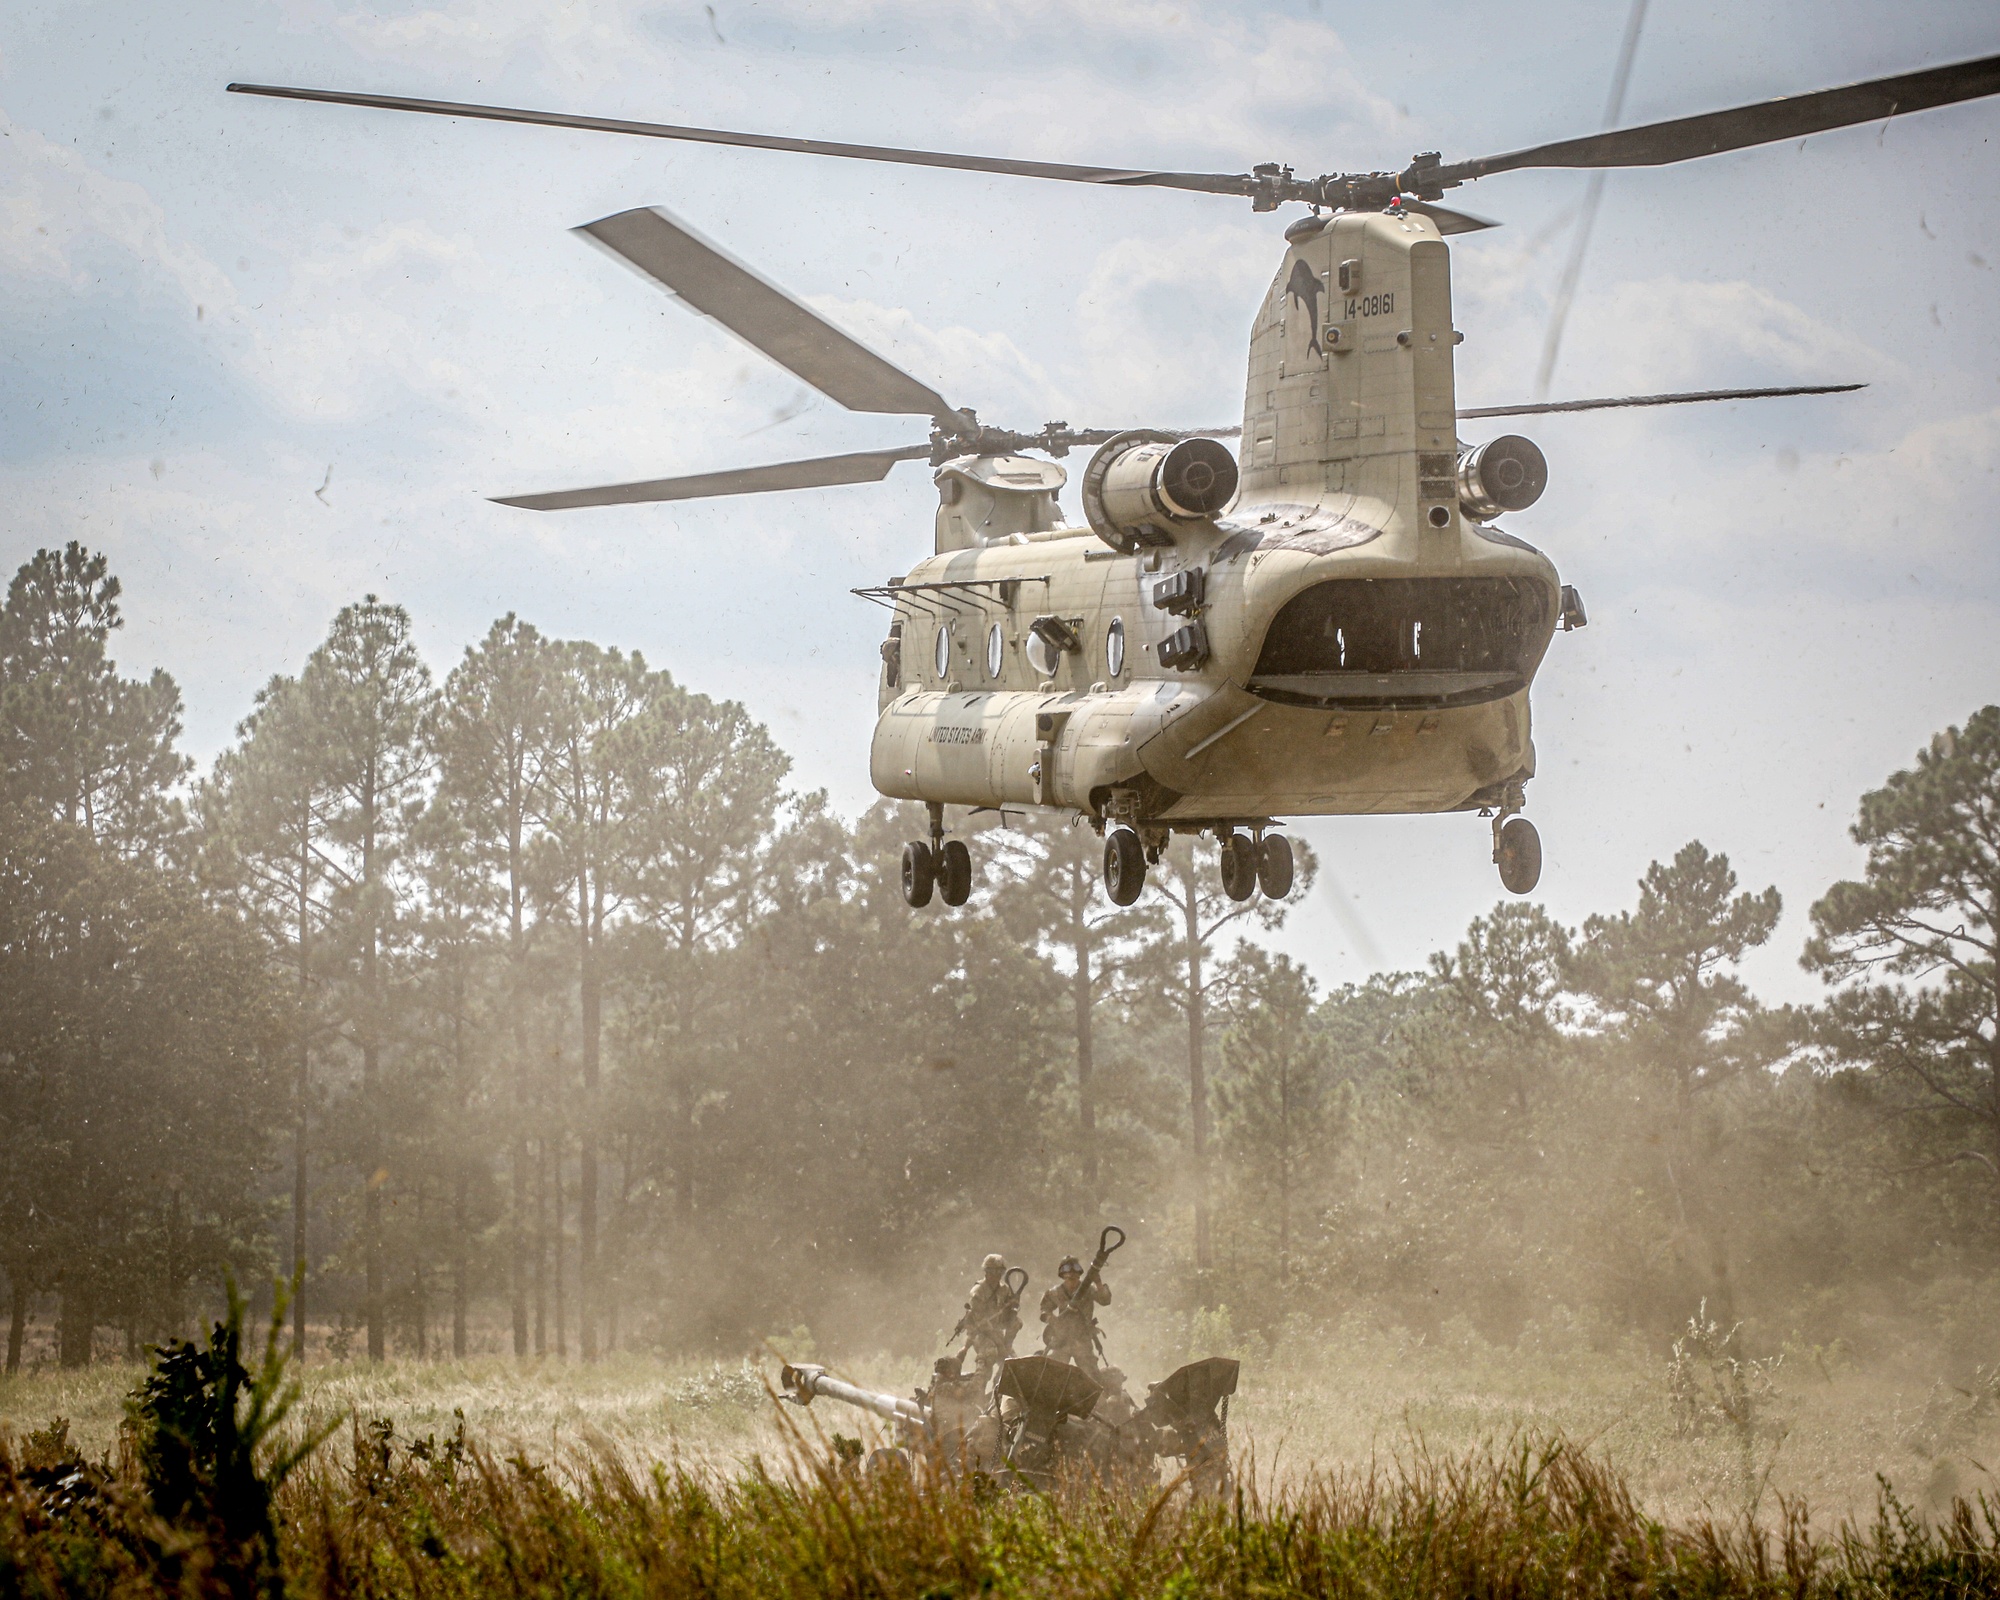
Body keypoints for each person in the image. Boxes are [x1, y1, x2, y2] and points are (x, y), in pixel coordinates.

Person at [1039, 1254, 1110, 1375]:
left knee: (1091, 1376)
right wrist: (1051, 1319)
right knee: (1053, 1374)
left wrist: (1098, 1282)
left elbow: (1105, 1300)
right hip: (1061, 1339)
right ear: (1062, 1275)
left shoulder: (1088, 1289)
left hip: (1082, 1338)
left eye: (1075, 1274)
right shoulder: (1055, 1292)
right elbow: (1044, 1310)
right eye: (1068, 1274)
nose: (1072, 1277)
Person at [958, 1253, 1021, 1377]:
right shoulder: (978, 1291)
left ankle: (997, 1388)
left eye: (999, 1271)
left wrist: (1014, 1305)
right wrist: (1000, 1345)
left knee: (1013, 1363)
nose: (996, 1275)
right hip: (980, 1335)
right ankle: (978, 1390)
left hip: (997, 1333)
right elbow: (981, 1322)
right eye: (992, 1271)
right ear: (986, 1271)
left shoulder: (1004, 1289)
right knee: (990, 1355)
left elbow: (1009, 1314)